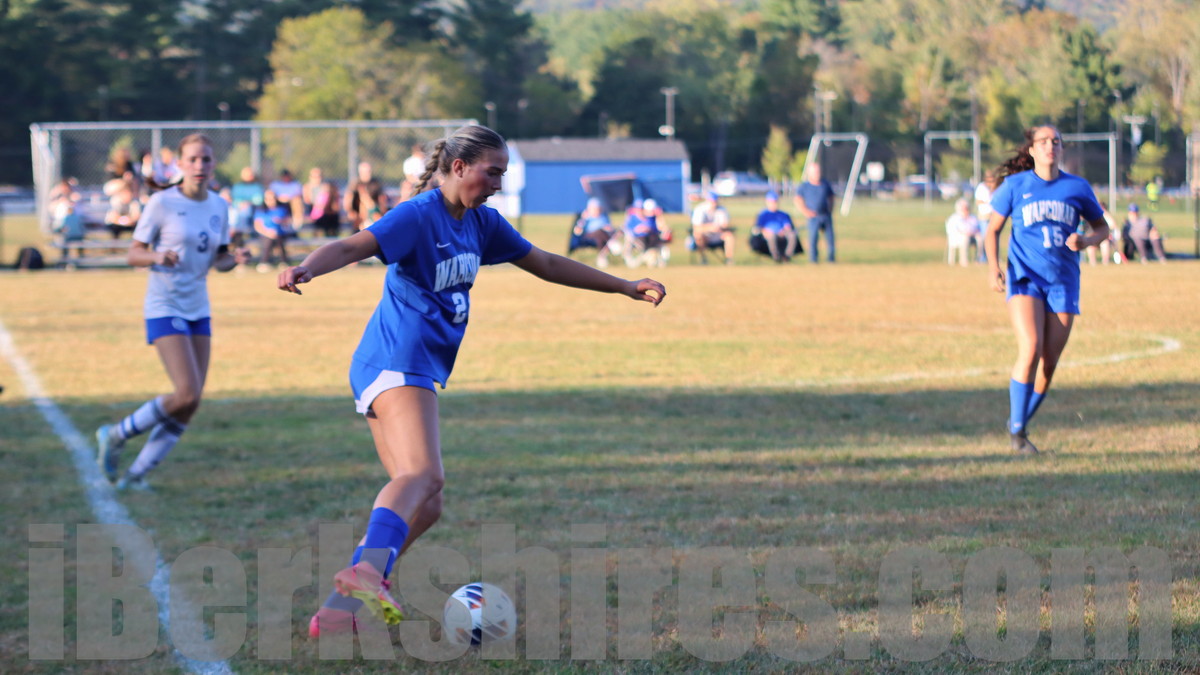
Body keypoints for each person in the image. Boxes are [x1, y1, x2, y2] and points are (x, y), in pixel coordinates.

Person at [278, 125, 665, 637]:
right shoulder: (419, 215)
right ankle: (366, 573)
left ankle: (335, 613)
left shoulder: (481, 222)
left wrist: (622, 286)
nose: (498, 184)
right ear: (458, 167)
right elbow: (354, 245)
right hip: (397, 358)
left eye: (503, 174)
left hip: (407, 363)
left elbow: (546, 263)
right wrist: (306, 268)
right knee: (424, 476)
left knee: (426, 503)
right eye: (492, 173)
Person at [95, 134, 248, 490]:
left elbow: (220, 259)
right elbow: (133, 254)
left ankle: (135, 476)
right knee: (186, 393)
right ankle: (115, 434)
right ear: (179, 164)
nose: (199, 165)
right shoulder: (162, 203)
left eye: (206, 159)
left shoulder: (218, 205)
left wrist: (235, 259)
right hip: (164, 304)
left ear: (213, 165)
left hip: (198, 306)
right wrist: (156, 256)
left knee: (190, 403)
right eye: (192, 159)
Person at [983, 124, 1109, 455]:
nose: (1050, 146)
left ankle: (1018, 424)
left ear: (1061, 149)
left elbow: (1102, 229)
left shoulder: (1077, 187)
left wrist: (1086, 241)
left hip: (1063, 282)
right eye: (1043, 141)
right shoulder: (1015, 185)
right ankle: (1017, 433)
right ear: (1032, 150)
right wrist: (993, 267)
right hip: (1025, 278)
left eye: (1056, 141)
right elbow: (992, 230)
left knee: (1049, 363)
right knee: (1031, 347)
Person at [794, 163, 835, 263]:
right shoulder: (805, 186)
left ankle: (831, 259)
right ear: (810, 173)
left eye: (818, 171)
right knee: (813, 239)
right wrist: (805, 211)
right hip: (813, 217)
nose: (817, 174)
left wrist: (830, 209)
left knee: (830, 239)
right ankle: (813, 260)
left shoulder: (825, 184)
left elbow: (831, 197)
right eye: (815, 172)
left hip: (825, 215)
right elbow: (798, 199)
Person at [750, 191, 798, 263]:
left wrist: (783, 231)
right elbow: (758, 227)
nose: (773, 204)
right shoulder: (763, 214)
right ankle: (776, 257)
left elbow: (787, 226)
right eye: (771, 202)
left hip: (782, 233)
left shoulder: (783, 214)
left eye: (775, 202)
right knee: (772, 236)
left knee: (792, 235)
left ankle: (787, 256)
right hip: (769, 234)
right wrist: (765, 231)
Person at [690, 191, 735, 264]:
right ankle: (703, 259)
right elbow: (696, 228)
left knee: (729, 236)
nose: (714, 203)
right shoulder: (700, 209)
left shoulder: (722, 210)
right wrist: (709, 228)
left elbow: (725, 225)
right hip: (705, 236)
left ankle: (729, 259)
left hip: (718, 235)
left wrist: (720, 228)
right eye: (712, 201)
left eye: (715, 201)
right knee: (698, 235)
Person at [254, 190, 294, 271]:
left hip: (280, 234)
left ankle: (284, 262)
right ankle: (264, 262)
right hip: (265, 234)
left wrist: (281, 221)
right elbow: (257, 226)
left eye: (272, 199)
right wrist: (267, 232)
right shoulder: (261, 211)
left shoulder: (282, 209)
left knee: (278, 239)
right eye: (268, 199)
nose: (270, 201)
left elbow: (288, 222)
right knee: (268, 240)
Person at [571, 197, 617, 268]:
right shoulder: (585, 218)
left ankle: (602, 257)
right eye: (594, 209)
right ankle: (611, 244)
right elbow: (577, 231)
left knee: (600, 235)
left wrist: (609, 229)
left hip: (602, 236)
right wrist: (583, 219)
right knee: (600, 232)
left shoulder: (603, 217)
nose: (596, 210)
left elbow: (610, 229)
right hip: (588, 236)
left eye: (598, 208)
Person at [345, 161, 390, 232]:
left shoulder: (375, 184)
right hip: (359, 217)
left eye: (369, 171)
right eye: (365, 172)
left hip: (373, 214)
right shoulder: (355, 184)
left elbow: (382, 200)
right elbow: (349, 199)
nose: (367, 174)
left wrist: (381, 213)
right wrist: (351, 211)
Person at [230, 167, 265, 251]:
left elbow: (259, 200)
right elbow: (234, 200)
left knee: (246, 210)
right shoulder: (238, 187)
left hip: (252, 210)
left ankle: (242, 229)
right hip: (238, 210)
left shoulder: (257, 187)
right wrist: (241, 203)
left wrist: (248, 202)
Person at [268, 169, 306, 234]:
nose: (285, 178)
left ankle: (297, 222)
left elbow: (298, 195)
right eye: (284, 176)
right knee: (270, 199)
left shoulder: (295, 184)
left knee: (297, 201)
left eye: (287, 176)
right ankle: (270, 218)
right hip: (278, 202)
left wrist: (288, 198)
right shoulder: (275, 185)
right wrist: (280, 198)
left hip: (291, 203)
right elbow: (271, 194)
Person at [944, 198, 980, 266]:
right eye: (964, 208)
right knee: (965, 238)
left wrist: (972, 232)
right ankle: (963, 260)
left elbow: (976, 226)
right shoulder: (955, 218)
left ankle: (978, 259)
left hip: (972, 235)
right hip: (958, 237)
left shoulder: (972, 217)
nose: (965, 209)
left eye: (966, 208)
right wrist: (966, 232)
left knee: (980, 238)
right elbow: (957, 229)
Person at [974, 170, 1000, 262]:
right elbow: (978, 201)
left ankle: (994, 257)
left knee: (994, 237)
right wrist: (987, 202)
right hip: (984, 215)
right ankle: (983, 257)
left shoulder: (995, 188)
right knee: (985, 237)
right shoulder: (981, 187)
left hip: (993, 215)